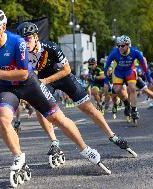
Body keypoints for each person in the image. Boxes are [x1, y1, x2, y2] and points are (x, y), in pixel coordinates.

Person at [0, 8, 110, 187]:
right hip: (5, 88)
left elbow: (22, 74)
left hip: (28, 84)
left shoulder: (17, 43)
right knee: (2, 119)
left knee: (57, 118)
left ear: (3, 27)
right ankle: (19, 157)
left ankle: (85, 149)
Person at [16, 22, 136, 160]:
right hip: (44, 80)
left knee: (88, 108)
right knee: (40, 109)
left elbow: (67, 70)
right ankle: (54, 142)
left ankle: (112, 135)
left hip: (62, 77)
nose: (24, 43)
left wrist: (45, 81)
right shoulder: (21, 54)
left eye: (27, 39)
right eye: (21, 40)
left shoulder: (51, 47)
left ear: (36, 37)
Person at [104, 35, 151, 124]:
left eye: (122, 46)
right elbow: (107, 65)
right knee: (117, 90)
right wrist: (106, 78)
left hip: (129, 71)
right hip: (118, 73)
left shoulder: (134, 51)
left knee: (132, 88)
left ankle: (134, 110)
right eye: (119, 45)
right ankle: (126, 104)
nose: (120, 47)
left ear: (128, 45)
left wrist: (147, 75)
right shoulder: (115, 52)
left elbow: (143, 65)